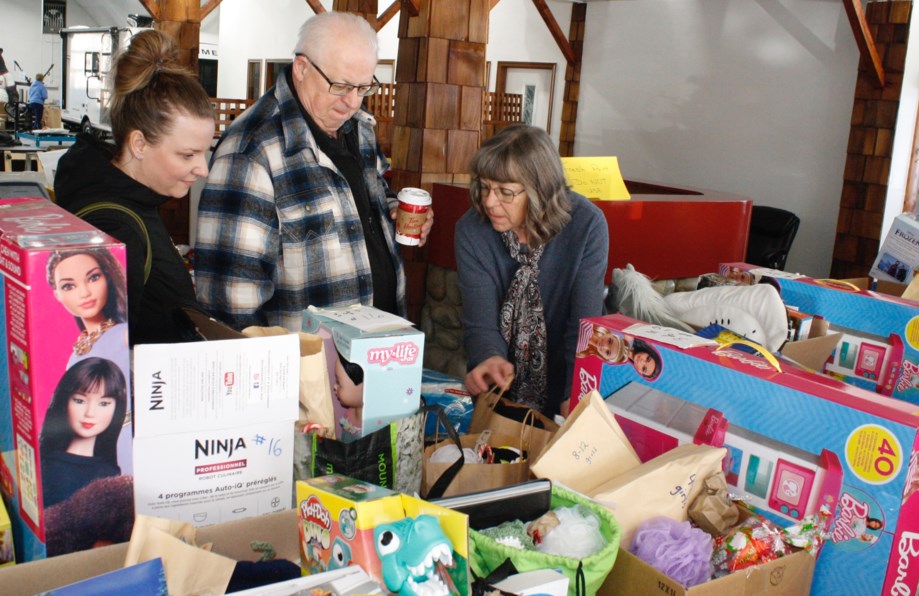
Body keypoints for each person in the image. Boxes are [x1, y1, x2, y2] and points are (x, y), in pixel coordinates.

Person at [195, 11, 432, 332]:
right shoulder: (252, 151)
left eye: (363, 87)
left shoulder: (359, 129)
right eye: (341, 85)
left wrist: (392, 211)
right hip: (308, 371)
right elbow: (230, 307)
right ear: (302, 68)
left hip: (379, 350)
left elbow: (360, 202)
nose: (352, 102)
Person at [54, 29, 215, 345]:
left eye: (204, 152)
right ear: (139, 143)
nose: (203, 169)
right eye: (187, 155)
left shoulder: (115, 196)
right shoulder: (116, 228)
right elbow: (106, 358)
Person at [455, 124, 609, 418]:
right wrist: (489, 358)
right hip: (503, 393)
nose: (489, 201)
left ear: (540, 191)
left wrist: (573, 393)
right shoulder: (471, 229)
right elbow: (480, 322)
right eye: (485, 187)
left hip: (568, 379)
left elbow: (584, 327)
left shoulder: (587, 225)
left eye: (505, 192)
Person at [39, 357, 127, 509]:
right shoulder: (44, 466)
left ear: (117, 409)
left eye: (104, 403)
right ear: (65, 401)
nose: (90, 413)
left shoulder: (111, 474)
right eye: (80, 401)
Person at [47, 247, 129, 366]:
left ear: (107, 278)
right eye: (68, 286)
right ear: (57, 295)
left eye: (93, 278)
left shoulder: (124, 335)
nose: (85, 293)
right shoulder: (75, 357)